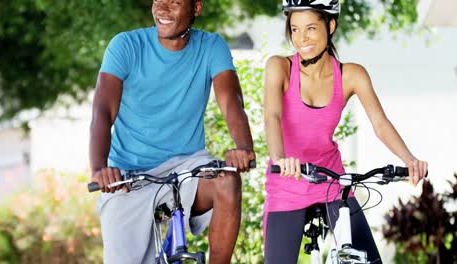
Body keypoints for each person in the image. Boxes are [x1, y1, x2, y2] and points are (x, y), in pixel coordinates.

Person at [89, 0, 255, 263]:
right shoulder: (125, 46)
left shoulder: (212, 46)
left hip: (187, 166)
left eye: (174, 2)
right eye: (158, 0)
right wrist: (99, 169)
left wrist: (244, 147)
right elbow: (102, 112)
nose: (163, 9)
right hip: (129, 175)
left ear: (196, 8)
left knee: (227, 180)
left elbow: (230, 101)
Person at [263, 0, 428, 263]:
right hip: (288, 181)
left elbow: (379, 123)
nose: (301, 38)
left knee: (368, 260)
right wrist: (281, 159)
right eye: (294, 29)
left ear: (330, 26)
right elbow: (272, 117)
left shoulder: (351, 75)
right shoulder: (279, 67)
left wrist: (409, 160)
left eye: (310, 28)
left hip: (332, 182)